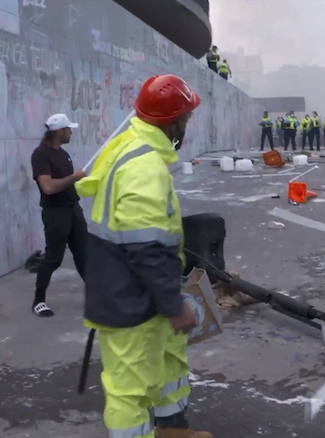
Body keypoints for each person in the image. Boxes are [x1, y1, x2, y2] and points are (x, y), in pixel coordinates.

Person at [75, 74, 211, 438]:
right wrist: (174, 305)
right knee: (129, 394)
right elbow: (146, 248)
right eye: (186, 118)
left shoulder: (132, 144)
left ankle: (173, 431)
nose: (188, 124)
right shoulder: (144, 168)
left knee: (169, 365)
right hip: (128, 300)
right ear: (173, 121)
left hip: (141, 292)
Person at [30, 114, 87, 317]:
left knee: (84, 256)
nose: (71, 132)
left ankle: (97, 297)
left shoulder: (64, 154)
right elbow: (48, 187)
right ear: (60, 131)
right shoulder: (40, 155)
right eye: (69, 129)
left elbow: (68, 183)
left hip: (73, 209)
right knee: (54, 258)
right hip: (56, 213)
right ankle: (38, 301)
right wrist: (74, 177)